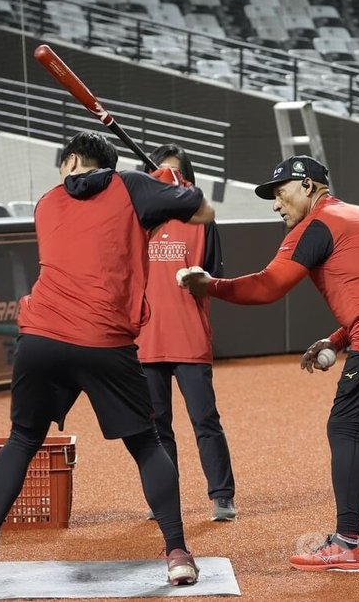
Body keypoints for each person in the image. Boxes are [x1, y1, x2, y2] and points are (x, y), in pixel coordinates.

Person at [0, 131, 215, 587]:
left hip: (42, 339)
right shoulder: (132, 186)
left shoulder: (47, 202)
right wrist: (171, 183)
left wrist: (156, 191)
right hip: (103, 339)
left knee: (21, 439)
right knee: (147, 445)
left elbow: (110, 224)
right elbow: (202, 210)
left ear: (72, 160)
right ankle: (176, 552)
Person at [181, 155, 359, 572]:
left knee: (346, 426)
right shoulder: (358, 217)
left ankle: (347, 544)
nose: (276, 204)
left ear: (308, 186)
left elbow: (268, 287)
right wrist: (338, 338)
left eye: (280, 193)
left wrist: (211, 286)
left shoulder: (316, 226)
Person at [136, 143, 237, 522]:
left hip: (189, 338)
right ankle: (164, 500)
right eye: (160, 174)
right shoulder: (136, 221)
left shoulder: (202, 221)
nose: (169, 180)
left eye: (176, 174)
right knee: (156, 427)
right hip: (146, 341)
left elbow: (214, 277)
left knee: (205, 420)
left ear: (188, 181)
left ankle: (222, 496)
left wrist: (200, 280)